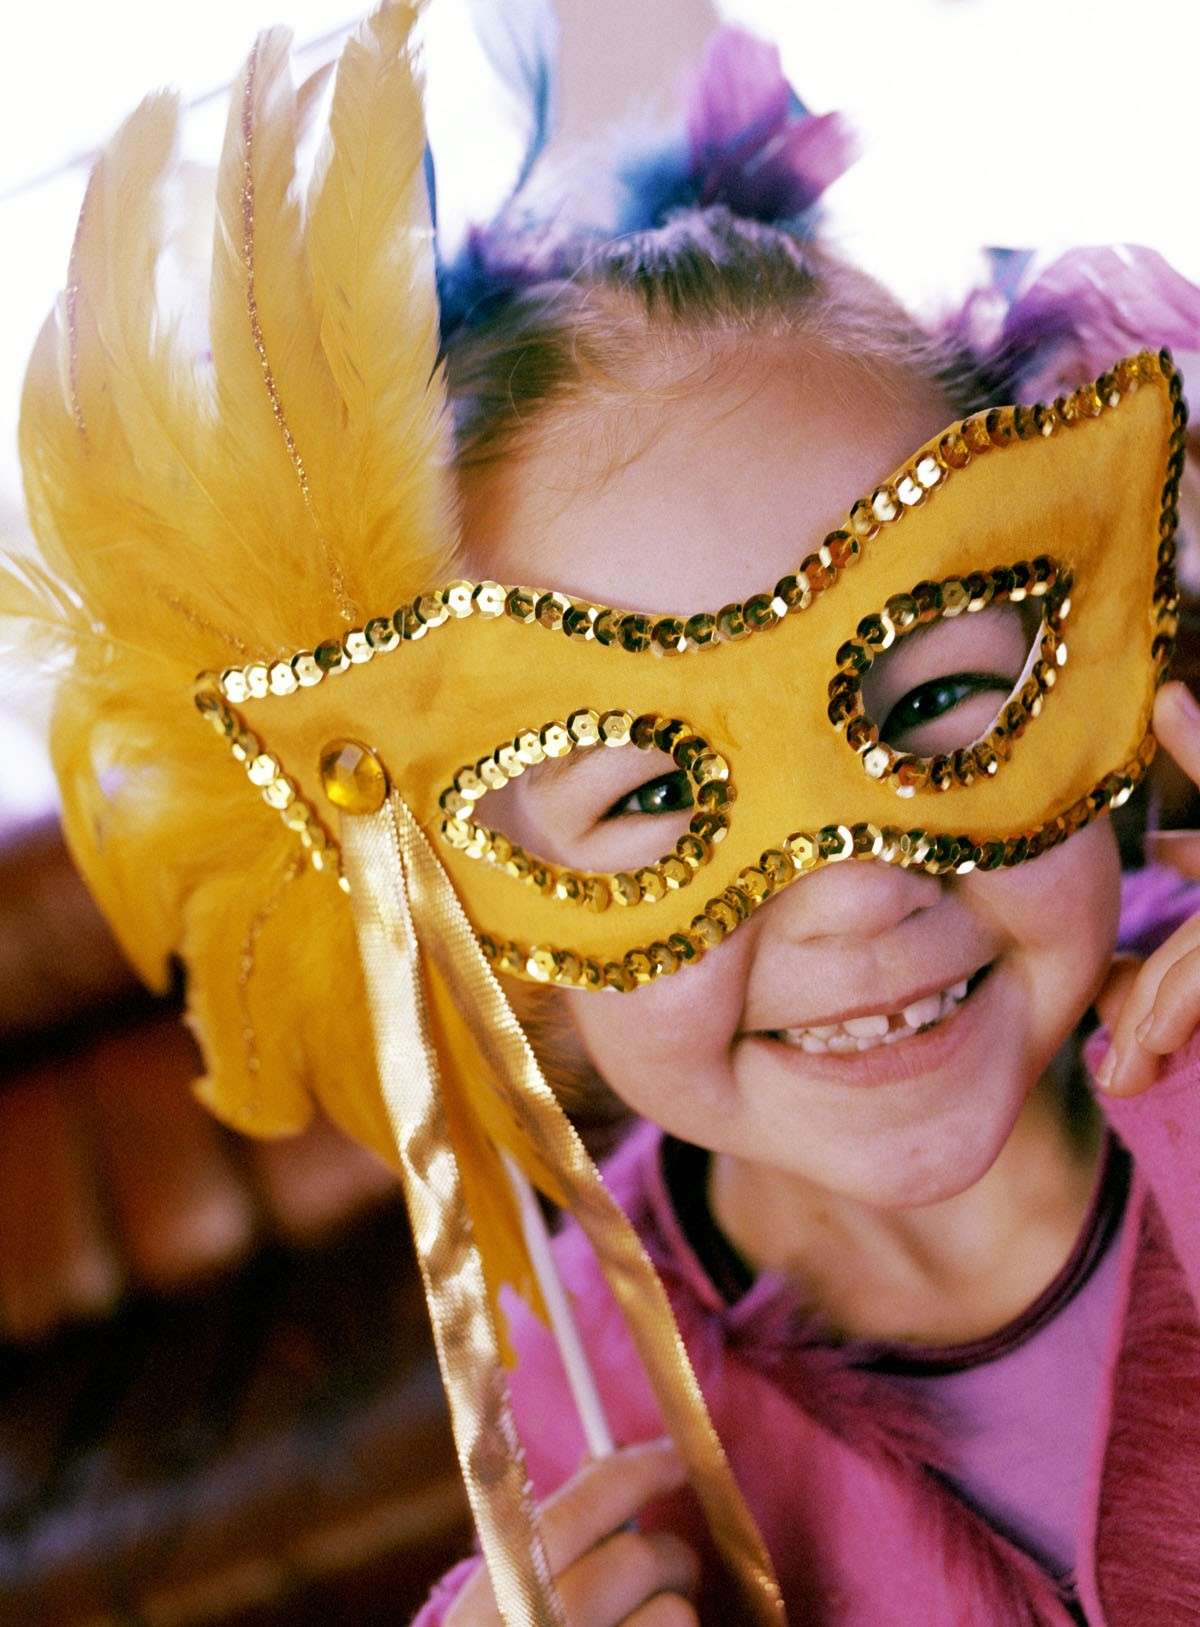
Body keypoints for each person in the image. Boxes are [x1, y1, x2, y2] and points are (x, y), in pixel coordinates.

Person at [414, 25, 1200, 1627]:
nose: (854, 895)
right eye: (646, 794)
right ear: (500, 920)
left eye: (928, 705)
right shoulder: (586, 1401)